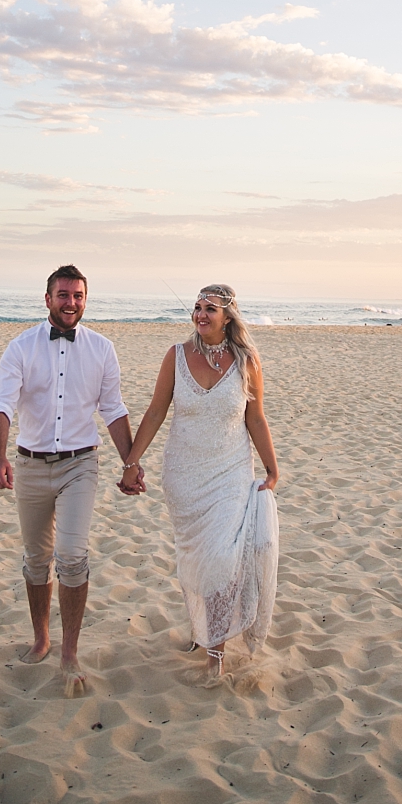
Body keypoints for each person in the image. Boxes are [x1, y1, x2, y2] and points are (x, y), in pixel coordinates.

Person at [0, 264, 143, 690]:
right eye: (63, 295)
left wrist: (130, 463)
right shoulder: (20, 347)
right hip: (30, 465)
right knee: (37, 559)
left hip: (80, 464)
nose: (71, 302)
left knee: (72, 556)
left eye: (78, 296)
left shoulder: (102, 349)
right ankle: (41, 638)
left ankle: (69, 652)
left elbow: (113, 408)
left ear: (85, 300)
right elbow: (1, 405)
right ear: (48, 299)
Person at [119, 283, 279, 681]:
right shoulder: (175, 356)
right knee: (194, 562)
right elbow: (156, 412)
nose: (200, 315)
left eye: (210, 309)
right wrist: (132, 461)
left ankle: (215, 654)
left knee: (220, 561)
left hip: (230, 474)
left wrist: (272, 468)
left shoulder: (247, 361)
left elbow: (256, 418)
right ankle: (201, 629)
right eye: (197, 307)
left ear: (227, 317)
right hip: (184, 477)